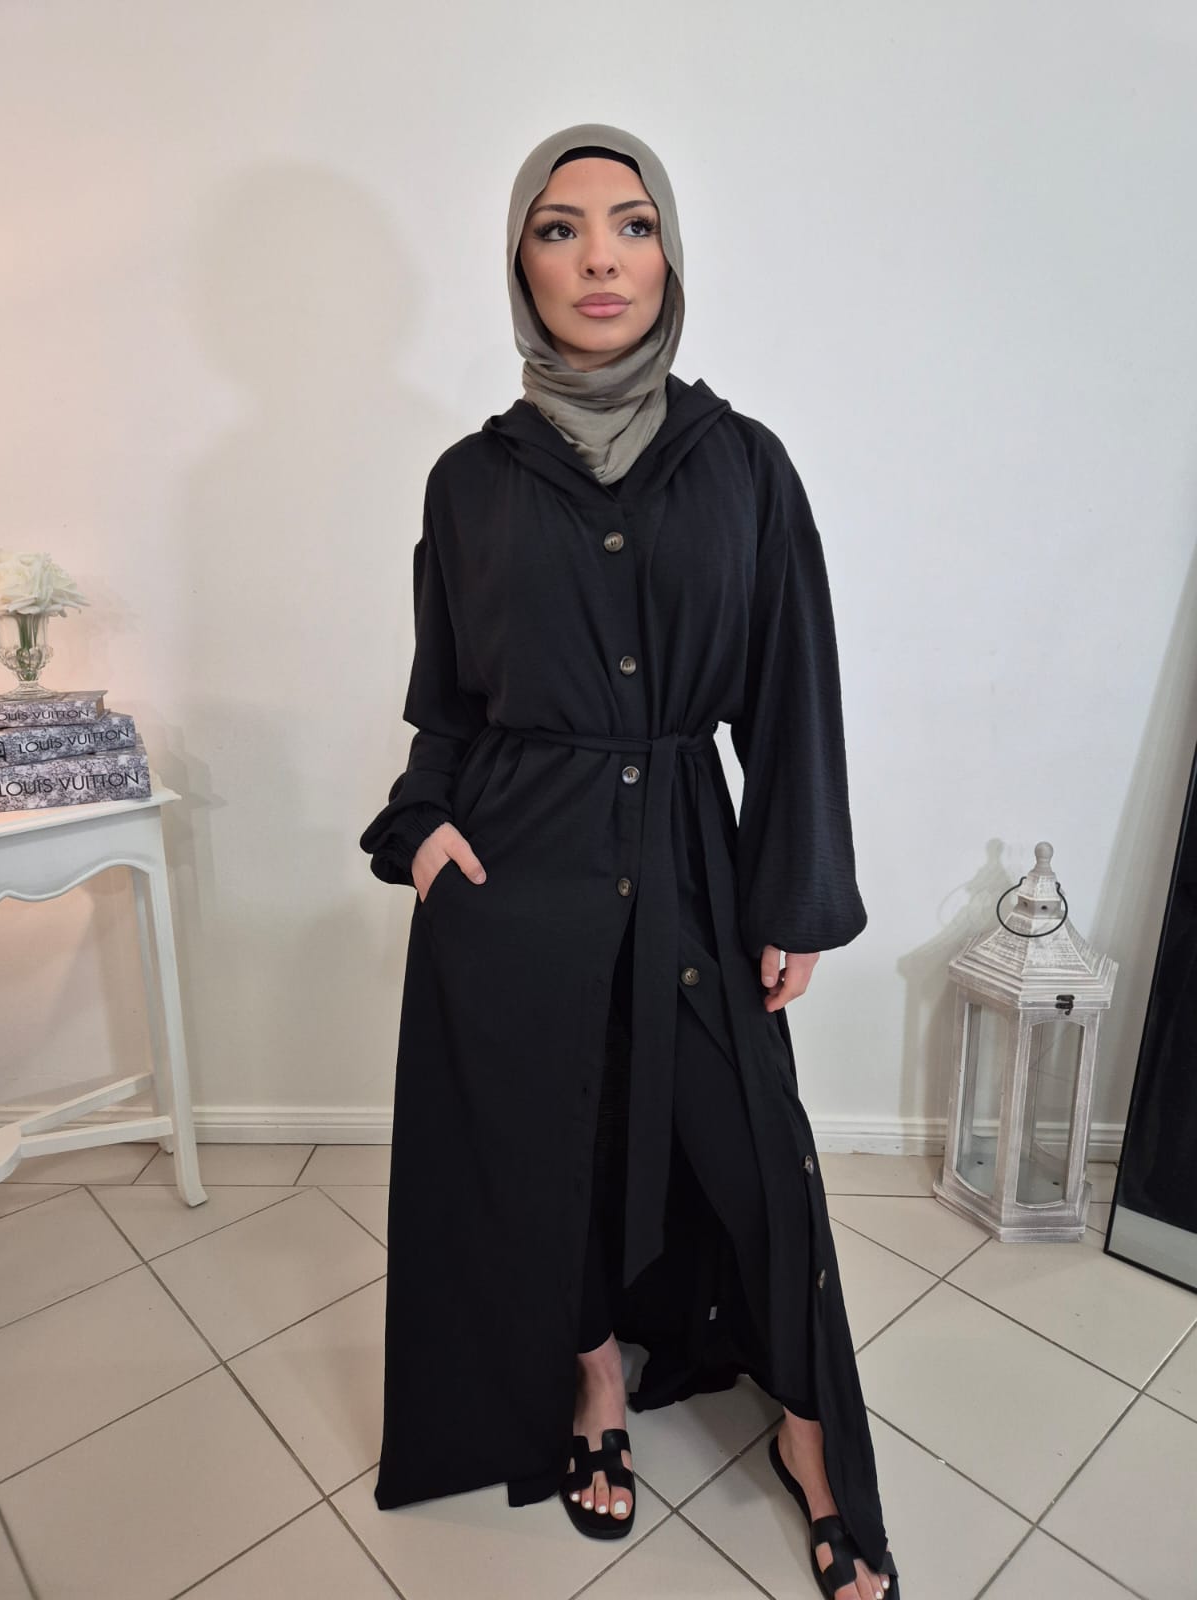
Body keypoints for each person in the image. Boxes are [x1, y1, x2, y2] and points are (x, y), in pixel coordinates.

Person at [359, 122, 899, 1600]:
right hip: (513, 873)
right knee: (560, 1146)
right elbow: (448, 703)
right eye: (560, 228)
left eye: (631, 224)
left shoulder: (745, 467)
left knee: (758, 1150)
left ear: (668, 254)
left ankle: (809, 1432)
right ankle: (592, 1382)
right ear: (521, 266)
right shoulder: (469, 482)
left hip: (690, 854)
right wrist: (422, 831)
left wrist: (795, 893)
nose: (599, 258)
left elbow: (793, 693)